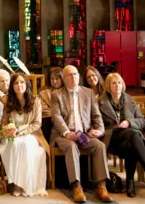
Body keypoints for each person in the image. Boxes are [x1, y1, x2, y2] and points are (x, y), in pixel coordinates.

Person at [50, 65, 112, 203]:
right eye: (69, 75)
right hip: (64, 135)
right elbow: (56, 117)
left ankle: (101, 186)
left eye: (75, 74)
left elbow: (96, 115)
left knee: (100, 146)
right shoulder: (56, 94)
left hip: (84, 134)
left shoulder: (88, 92)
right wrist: (66, 132)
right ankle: (76, 186)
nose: (73, 77)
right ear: (64, 78)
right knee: (72, 147)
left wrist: (100, 130)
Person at [97, 73, 145, 197]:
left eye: (119, 82)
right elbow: (96, 122)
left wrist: (129, 122)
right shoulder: (100, 101)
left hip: (129, 138)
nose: (117, 85)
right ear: (108, 86)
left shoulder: (129, 100)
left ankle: (130, 184)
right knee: (134, 136)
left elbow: (141, 120)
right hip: (111, 138)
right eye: (114, 83)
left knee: (132, 144)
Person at [0, 73, 48, 197]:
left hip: (31, 134)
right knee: (15, 145)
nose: (19, 85)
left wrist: (23, 132)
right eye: (16, 83)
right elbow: (4, 122)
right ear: (12, 86)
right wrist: (9, 130)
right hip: (12, 135)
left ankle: (25, 184)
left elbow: (37, 123)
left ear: (27, 84)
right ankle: (17, 184)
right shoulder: (7, 101)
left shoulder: (35, 100)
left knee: (26, 144)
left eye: (22, 82)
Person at [39, 66, 63, 140]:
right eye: (52, 79)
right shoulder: (44, 91)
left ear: (62, 79)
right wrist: (55, 115)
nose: (54, 81)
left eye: (57, 79)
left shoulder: (67, 91)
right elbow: (43, 110)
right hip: (48, 120)